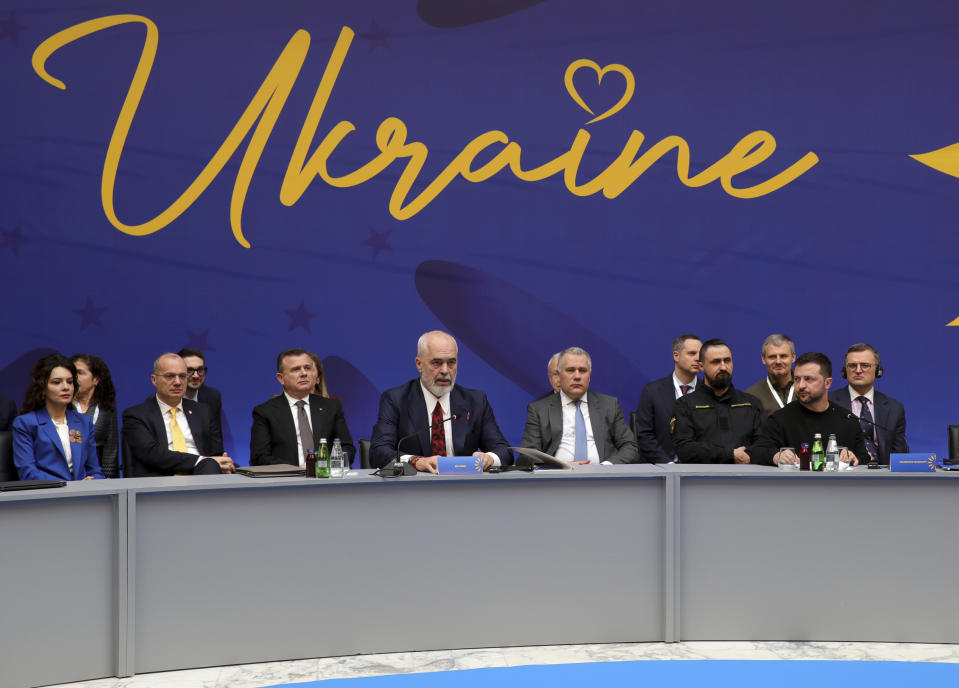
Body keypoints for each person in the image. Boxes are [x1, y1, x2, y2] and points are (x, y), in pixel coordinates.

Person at [370, 330, 512, 472]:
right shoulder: (396, 399)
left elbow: (504, 451)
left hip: (465, 488)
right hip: (414, 490)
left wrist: (490, 458)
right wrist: (415, 461)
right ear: (419, 364)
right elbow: (378, 452)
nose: (445, 370)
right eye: (436, 363)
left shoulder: (475, 401)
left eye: (451, 362)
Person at [122, 353, 234, 476]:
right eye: (170, 376)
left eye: (182, 376)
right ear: (154, 380)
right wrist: (201, 460)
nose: (177, 382)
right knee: (209, 464)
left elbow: (216, 452)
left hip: (203, 475)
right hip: (160, 480)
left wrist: (222, 461)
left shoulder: (203, 411)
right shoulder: (136, 415)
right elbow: (151, 454)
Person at [521, 347, 638, 463]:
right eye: (570, 370)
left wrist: (607, 466)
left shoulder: (609, 405)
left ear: (589, 376)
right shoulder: (539, 409)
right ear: (559, 375)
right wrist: (560, 467)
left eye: (582, 370)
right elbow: (527, 455)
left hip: (603, 477)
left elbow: (630, 446)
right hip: (558, 479)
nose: (577, 376)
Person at [752, 352, 866, 467]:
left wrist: (853, 458)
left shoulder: (848, 420)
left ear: (827, 383)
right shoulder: (780, 419)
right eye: (796, 379)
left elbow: (864, 459)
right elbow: (757, 451)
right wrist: (776, 456)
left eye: (808, 379)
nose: (801, 385)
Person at [251, 348, 354, 466]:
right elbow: (259, 457)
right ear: (281, 378)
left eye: (307, 368)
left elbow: (347, 448)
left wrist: (325, 465)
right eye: (296, 369)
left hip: (326, 479)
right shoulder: (265, 412)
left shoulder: (331, 407)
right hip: (287, 480)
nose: (304, 373)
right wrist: (296, 470)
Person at [12, 354, 103, 481]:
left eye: (70, 382)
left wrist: (94, 481)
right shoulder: (25, 423)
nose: (65, 387)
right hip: (47, 497)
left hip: (84, 497)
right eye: (57, 382)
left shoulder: (84, 422)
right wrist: (68, 488)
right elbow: (28, 473)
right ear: (43, 388)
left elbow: (95, 470)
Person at [672, 339, 764, 463]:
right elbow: (684, 449)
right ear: (701, 366)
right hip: (701, 480)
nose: (723, 367)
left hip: (746, 479)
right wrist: (729, 455)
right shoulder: (685, 405)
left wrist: (747, 454)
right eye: (715, 362)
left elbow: (765, 444)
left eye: (727, 360)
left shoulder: (752, 404)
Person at [827, 343, 908, 465]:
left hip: (883, 478)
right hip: (842, 475)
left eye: (865, 365)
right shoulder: (828, 402)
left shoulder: (894, 408)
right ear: (845, 370)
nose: (858, 370)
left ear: (877, 370)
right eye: (852, 365)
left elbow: (900, 454)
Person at [634, 334, 701, 463]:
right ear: (676, 356)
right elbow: (644, 435)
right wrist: (668, 466)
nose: (698, 358)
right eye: (692, 353)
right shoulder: (652, 391)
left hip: (700, 471)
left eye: (700, 354)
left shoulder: (708, 391)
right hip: (661, 469)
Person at [71, 353, 120, 478]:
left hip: (96, 478)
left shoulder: (106, 409)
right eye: (73, 372)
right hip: (68, 475)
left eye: (80, 373)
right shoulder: (63, 406)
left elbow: (110, 451)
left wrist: (107, 481)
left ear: (96, 380)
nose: (74, 377)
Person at [177, 347, 223, 450]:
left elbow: (216, 442)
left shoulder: (212, 396)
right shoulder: (162, 399)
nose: (196, 376)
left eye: (200, 370)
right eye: (190, 370)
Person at [745, 334, 797, 416]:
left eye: (783, 356)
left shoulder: (807, 390)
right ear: (763, 359)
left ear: (793, 357)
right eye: (772, 357)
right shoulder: (752, 395)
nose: (778, 362)